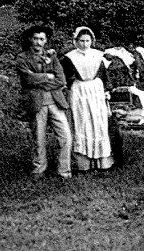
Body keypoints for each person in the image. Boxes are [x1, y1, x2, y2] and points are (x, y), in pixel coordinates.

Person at [15, 25, 72, 179]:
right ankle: (39, 170)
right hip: (36, 102)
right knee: (38, 139)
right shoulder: (22, 58)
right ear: (30, 39)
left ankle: (64, 171)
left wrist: (39, 79)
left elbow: (61, 80)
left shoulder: (52, 57)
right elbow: (27, 79)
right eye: (35, 38)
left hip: (55, 101)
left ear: (46, 41)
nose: (38, 42)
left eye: (41, 39)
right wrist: (48, 76)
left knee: (66, 136)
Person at [61, 26, 115, 171]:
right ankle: (83, 163)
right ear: (76, 41)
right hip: (80, 91)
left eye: (87, 41)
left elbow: (103, 75)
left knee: (98, 122)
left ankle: (102, 162)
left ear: (92, 41)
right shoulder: (70, 57)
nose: (85, 44)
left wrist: (106, 90)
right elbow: (64, 77)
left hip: (96, 91)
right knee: (82, 122)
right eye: (81, 41)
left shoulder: (98, 55)